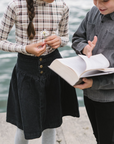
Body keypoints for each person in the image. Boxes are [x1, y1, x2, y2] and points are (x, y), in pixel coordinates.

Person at [0, 0, 79, 143]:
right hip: (26, 70)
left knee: (51, 123)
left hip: (54, 68)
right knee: (24, 125)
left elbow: (65, 38)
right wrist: (25, 49)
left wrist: (59, 41)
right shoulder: (16, 6)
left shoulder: (62, 6)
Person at [72, 0, 114, 144]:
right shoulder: (93, 12)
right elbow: (77, 38)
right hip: (90, 95)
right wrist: (85, 48)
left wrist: (94, 83)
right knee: (99, 138)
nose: (98, 4)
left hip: (110, 99)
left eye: (104, 1)